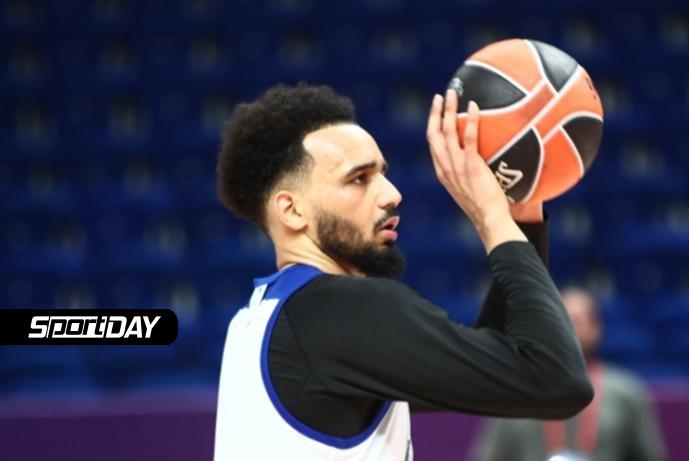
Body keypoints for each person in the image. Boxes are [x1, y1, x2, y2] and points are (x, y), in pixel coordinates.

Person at [212, 82, 593, 461]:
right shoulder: (340, 310)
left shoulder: (258, 320)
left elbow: (496, 367)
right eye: (359, 179)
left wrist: (522, 220)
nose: (392, 193)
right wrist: (492, 217)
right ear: (292, 210)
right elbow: (558, 382)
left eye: (382, 173)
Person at [471, 288, 667, 461]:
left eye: (576, 322)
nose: (567, 330)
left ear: (596, 329)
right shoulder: (516, 392)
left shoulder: (626, 391)